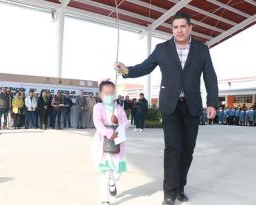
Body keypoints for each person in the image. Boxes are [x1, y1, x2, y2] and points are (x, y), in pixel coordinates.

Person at [115, 12, 218, 205]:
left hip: (192, 106)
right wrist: (126, 70)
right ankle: (169, 193)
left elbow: (210, 77)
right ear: (172, 29)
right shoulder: (162, 49)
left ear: (190, 28)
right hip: (170, 106)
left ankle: (180, 187)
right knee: (172, 148)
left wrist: (212, 103)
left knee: (188, 150)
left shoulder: (202, 50)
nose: (179, 30)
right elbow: (145, 67)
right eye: (175, 27)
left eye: (182, 26)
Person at [91, 80, 129, 205]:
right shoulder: (98, 107)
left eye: (112, 93)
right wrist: (108, 132)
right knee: (105, 172)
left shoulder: (119, 108)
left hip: (118, 143)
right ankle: (105, 199)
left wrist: (118, 121)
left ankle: (112, 181)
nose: (109, 96)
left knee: (118, 173)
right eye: (106, 93)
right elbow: (97, 123)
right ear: (101, 95)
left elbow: (126, 123)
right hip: (103, 144)